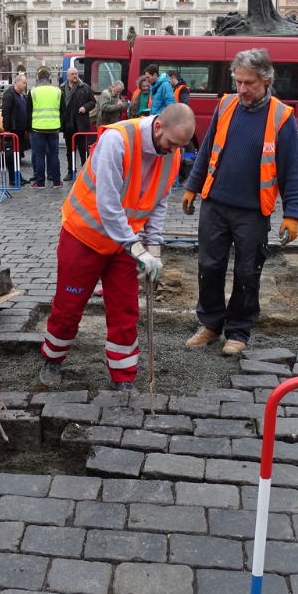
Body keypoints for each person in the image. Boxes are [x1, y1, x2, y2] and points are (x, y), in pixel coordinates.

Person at [38, 103, 196, 390]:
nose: (173, 151)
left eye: (179, 147)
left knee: (125, 310)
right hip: (84, 237)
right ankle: (53, 358)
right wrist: (137, 249)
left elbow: (158, 202)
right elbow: (108, 205)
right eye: (171, 143)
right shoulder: (117, 140)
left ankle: (124, 376)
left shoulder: (172, 155)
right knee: (69, 306)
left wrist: (154, 248)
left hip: (125, 244)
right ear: (158, 126)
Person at [181, 48, 298, 355]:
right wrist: (192, 187)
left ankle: (238, 329)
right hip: (215, 205)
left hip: (252, 212)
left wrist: (293, 214)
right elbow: (208, 148)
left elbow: (292, 170)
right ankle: (210, 323)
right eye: (238, 82)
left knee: (247, 273)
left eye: (249, 83)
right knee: (208, 267)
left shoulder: (281, 117)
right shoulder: (225, 105)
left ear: (266, 81)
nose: (243, 89)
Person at [27, 68, 63, 188]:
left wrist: (29, 128)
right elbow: (63, 110)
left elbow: (28, 112)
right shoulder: (57, 91)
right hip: (54, 127)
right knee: (54, 155)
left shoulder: (33, 92)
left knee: (39, 155)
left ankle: (40, 182)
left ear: (37, 79)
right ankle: (57, 182)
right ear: (49, 79)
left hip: (38, 128)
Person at [61, 67, 96, 182]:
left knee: (83, 149)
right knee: (69, 150)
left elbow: (92, 101)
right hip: (68, 124)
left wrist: (85, 108)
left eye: (76, 74)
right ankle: (71, 172)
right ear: (67, 76)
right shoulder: (62, 89)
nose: (75, 76)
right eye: (72, 74)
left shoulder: (84, 87)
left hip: (81, 124)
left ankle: (85, 171)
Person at [0, 73, 30, 186]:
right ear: (17, 82)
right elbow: (6, 113)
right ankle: (13, 177)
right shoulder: (10, 95)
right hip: (13, 130)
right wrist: (7, 129)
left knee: (18, 154)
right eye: (23, 83)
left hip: (21, 130)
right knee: (12, 155)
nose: (25, 85)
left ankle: (18, 176)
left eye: (26, 83)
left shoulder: (23, 96)